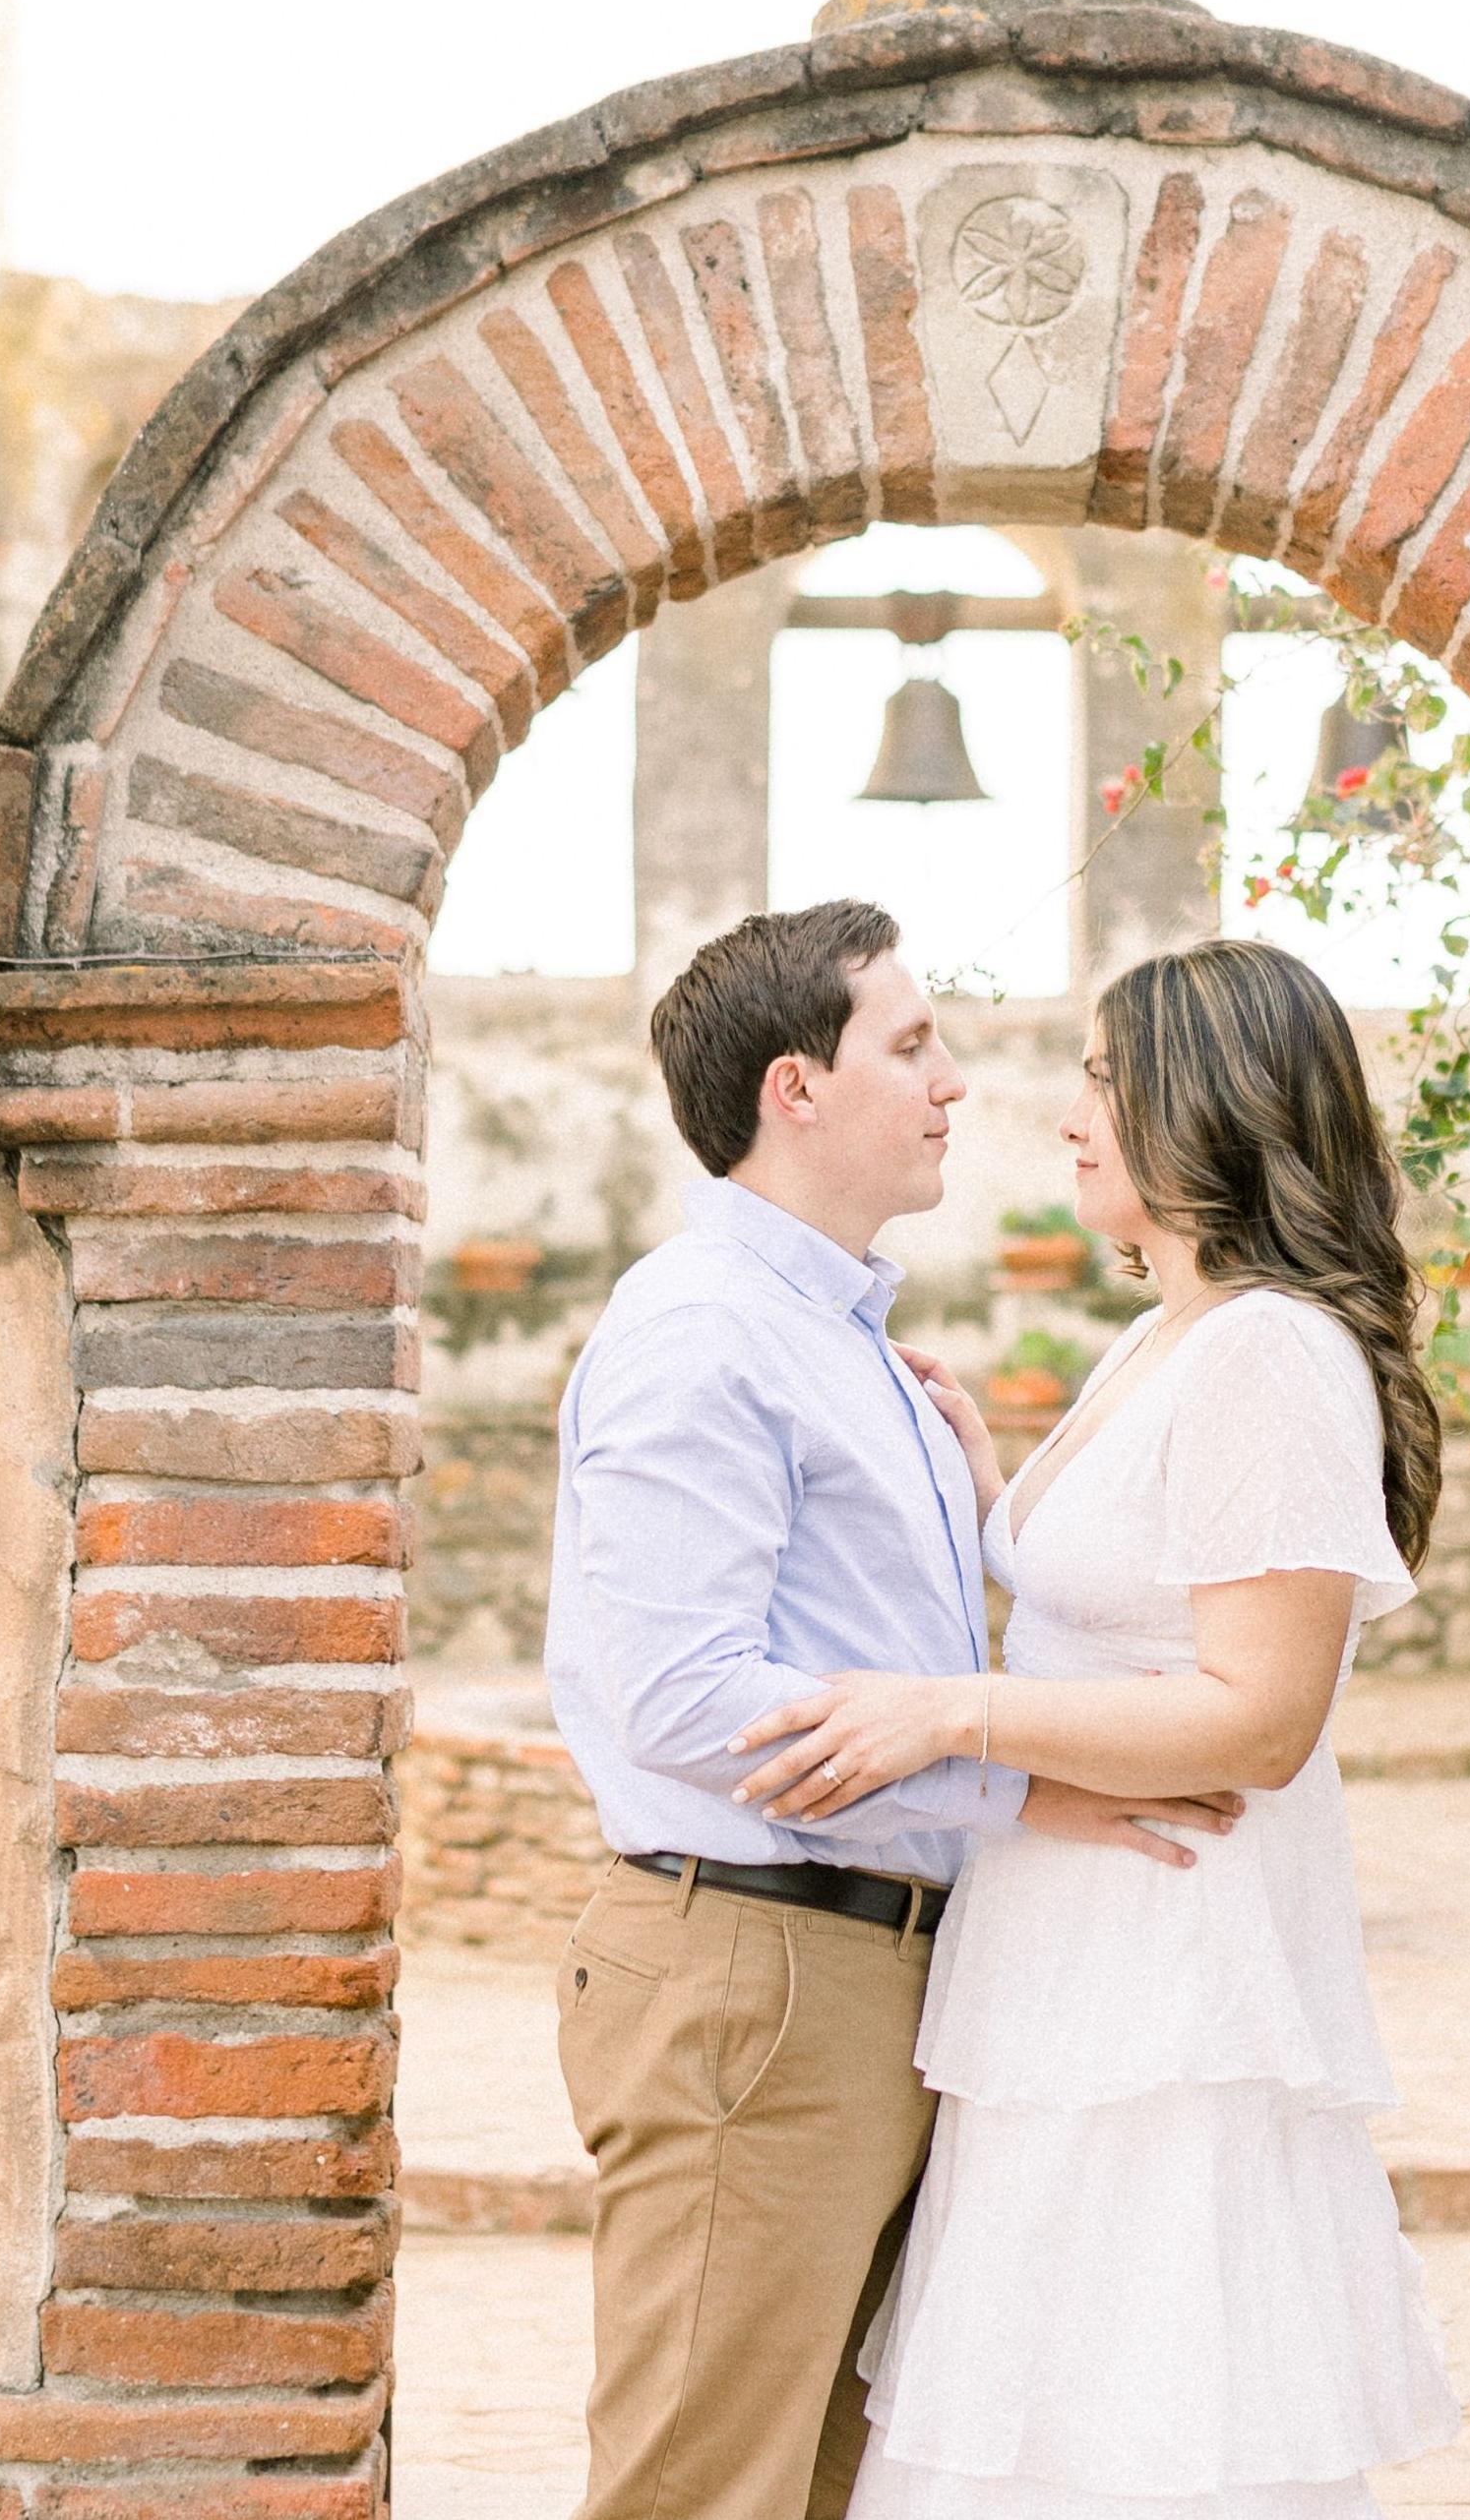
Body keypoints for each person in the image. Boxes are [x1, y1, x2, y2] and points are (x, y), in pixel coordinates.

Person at [730, 933, 1464, 2520]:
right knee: (1044, 2407)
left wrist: (953, 1715)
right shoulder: (1171, 1334)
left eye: (1106, 1083)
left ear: (1212, 1104)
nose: (1069, 1117)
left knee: (1140, 2413)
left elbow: (1260, 1716)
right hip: (1067, 1948)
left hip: (1167, 1969)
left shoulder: (1272, 1351)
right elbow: (1136, 1600)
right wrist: (996, 1490)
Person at [544, 899, 1248, 2520]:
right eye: (912, 1043)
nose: (955, 1080)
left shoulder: (847, 1342)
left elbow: (883, 1643)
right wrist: (1016, 1791)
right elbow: (681, 1693)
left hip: (865, 1974)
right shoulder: (704, 1330)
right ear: (797, 1089)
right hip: (756, 1972)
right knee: (701, 2492)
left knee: (830, 2490)